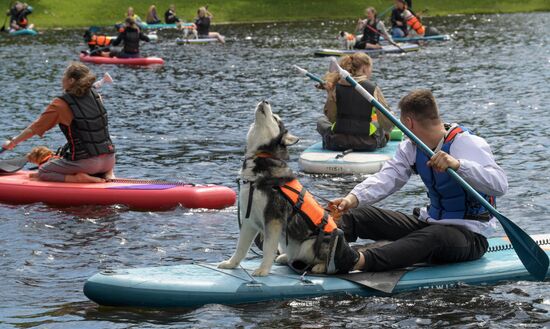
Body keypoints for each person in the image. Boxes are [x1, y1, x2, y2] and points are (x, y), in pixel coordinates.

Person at [323, 89, 508, 274]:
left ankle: (356, 261)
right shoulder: (411, 147)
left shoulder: (467, 143)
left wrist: (459, 165)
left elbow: (500, 185)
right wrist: (351, 199)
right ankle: (318, 243)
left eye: (403, 126)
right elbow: (387, 177)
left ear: (409, 123)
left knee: (434, 236)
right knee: (357, 215)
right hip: (430, 223)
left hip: (470, 236)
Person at [2, 62, 116, 183]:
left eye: (64, 76)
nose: (62, 79)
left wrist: (13, 142)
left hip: (87, 163)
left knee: (43, 171)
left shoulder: (60, 104)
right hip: (110, 159)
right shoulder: (97, 96)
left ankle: (77, 178)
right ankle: (108, 174)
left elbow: (34, 128)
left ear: (71, 80)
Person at [316, 53, 394, 152]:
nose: (371, 72)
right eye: (371, 68)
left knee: (321, 121)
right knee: (379, 125)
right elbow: (387, 124)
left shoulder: (336, 87)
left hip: (338, 141)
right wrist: (388, 125)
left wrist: (330, 93)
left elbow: (332, 118)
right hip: (366, 143)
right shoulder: (373, 88)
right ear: (365, 68)